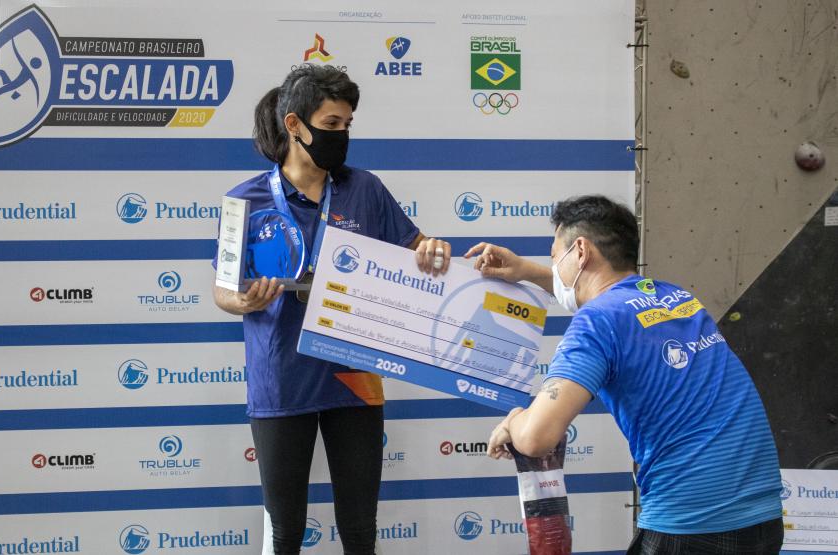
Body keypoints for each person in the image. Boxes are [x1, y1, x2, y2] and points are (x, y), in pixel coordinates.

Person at [212, 65, 451, 555]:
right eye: (333, 124)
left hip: (355, 378)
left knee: (361, 530)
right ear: (295, 125)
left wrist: (433, 249)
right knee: (286, 533)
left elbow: (415, 245)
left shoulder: (365, 189)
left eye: (347, 125)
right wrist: (243, 300)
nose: (342, 135)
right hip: (281, 380)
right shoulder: (245, 200)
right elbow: (223, 290)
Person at [466, 195, 783, 554]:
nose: (553, 269)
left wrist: (514, 420)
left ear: (580, 252)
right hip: (763, 519)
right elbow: (602, 293)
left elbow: (537, 437)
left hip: (692, 525)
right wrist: (526, 270)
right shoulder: (674, 298)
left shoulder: (597, 323)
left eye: (555, 258)